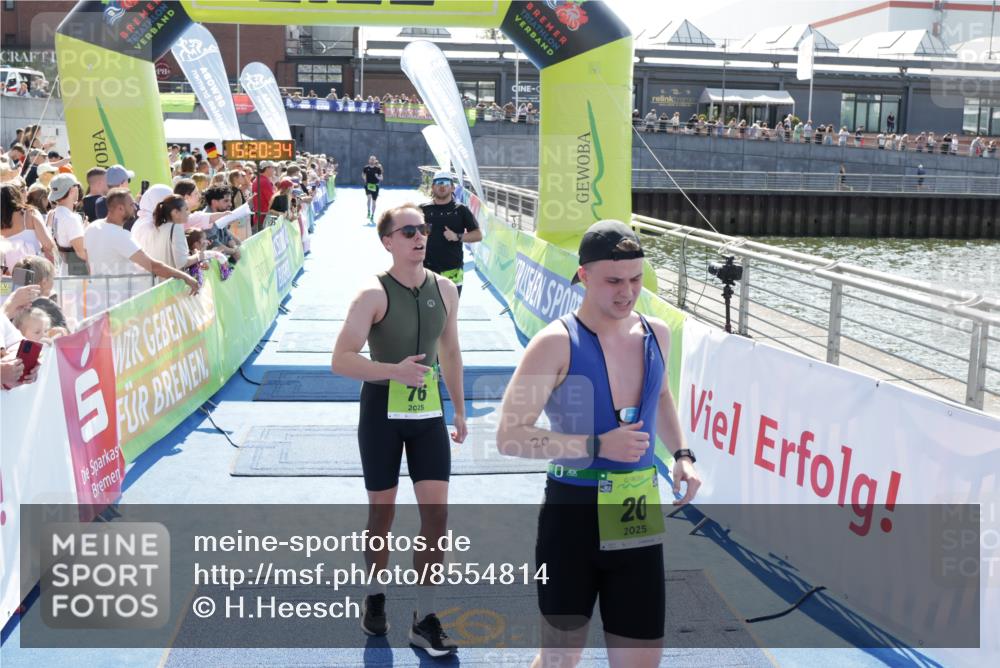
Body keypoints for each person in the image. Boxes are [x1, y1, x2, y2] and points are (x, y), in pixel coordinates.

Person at [495, 220, 700, 668]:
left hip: (635, 514)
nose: (627, 293)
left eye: (635, 280)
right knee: (559, 659)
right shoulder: (553, 344)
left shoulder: (656, 334)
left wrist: (682, 454)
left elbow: (661, 396)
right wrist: (596, 445)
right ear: (584, 276)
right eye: (613, 281)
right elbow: (509, 437)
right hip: (572, 516)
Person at [330, 204, 466, 658]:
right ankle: (375, 594)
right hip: (381, 415)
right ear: (388, 241)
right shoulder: (372, 293)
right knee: (382, 518)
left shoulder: (445, 289)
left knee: (437, 518)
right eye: (407, 230)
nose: (419, 236)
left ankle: (424, 617)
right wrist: (393, 371)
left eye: (422, 228)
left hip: (428, 416)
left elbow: (450, 352)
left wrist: (460, 411)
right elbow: (342, 359)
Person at [83, 188, 199, 308]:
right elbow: (153, 266)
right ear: (120, 208)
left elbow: (87, 262)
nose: (135, 207)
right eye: (132, 204)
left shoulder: (92, 227)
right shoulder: (120, 235)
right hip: (119, 304)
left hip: (99, 299)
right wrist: (185, 277)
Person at [419, 171, 482, 296]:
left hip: (453, 269)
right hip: (426, 268)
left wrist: (457, 236)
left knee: (450, 310)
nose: (442, 186)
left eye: (446, 183)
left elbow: (478, 235)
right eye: (438, 183)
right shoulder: (423, 209)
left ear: (453, 187)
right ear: (432, 187)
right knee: (426, 310)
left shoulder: (461, 210)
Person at [47, 173, 88, 275]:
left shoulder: (52, 214)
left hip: (61, 272)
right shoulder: (71, 218)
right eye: (77, 186)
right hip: (74, 275)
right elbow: (82, 253)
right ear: (72, 189)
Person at [148, 194, 199, 272]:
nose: (189, 212)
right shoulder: (176, 228)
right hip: (173, 281)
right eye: (186, 209)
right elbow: (182, 263)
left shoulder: (159, 227)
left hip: (161, 281)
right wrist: (199, 256)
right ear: (175, 212)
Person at [362, 155, 383, 223]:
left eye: (373, 160)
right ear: (369, 160)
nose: (372, 161)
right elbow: (363, 174)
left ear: (375, 161)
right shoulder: (366, 168)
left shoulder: (378, 169)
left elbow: (381, 178)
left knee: (374, 201)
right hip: (368, 185)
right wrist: (364, 178)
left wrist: (377, 177)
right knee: (369, 198)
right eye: (371, 159)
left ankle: (372, 215)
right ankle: (368, 211)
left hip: (375, 186)